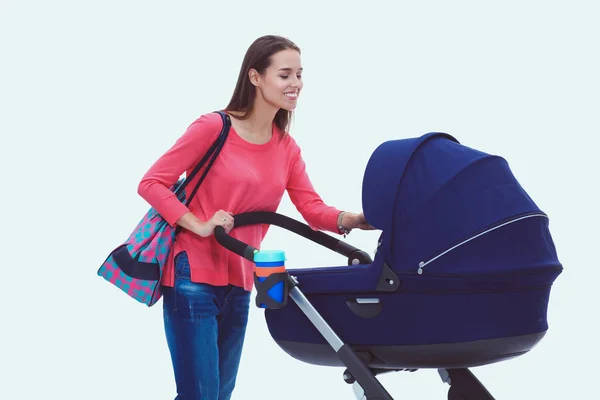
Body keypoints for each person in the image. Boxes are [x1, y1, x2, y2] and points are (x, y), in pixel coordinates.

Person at [137, 34, 374, 400]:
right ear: (255, 77)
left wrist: (354, 219)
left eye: (299, 74)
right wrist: (198, 224)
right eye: (284, 75)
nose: (295, 84)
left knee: (221, 393)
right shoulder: (214, 128)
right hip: (192, 275)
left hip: (244, 278)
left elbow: (310, 208)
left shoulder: (285, 148)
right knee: (200, 395)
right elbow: (153, 183)